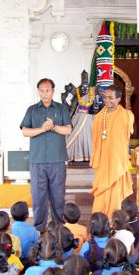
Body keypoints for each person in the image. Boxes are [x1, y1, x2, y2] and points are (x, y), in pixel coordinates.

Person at [20, 78, 72, 232]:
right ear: (38, 91)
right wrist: (43, 129)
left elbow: (68, 130)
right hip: (37, 160)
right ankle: (40, 227)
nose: (44, 93)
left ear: (53, 91)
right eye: (41, 90)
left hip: (57, 160)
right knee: (38, 196)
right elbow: (25, 131)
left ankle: (58, 227)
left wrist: (53, 126)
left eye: (47, 90)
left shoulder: (62, 109)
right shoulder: (32, 110)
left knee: (58, 196)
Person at [91, 85, 134, 217]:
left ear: (119, 99)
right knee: (102, 190)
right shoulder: (98, 117)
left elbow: (128, 134)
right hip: (103, 160)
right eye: (104, 97)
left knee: (115, 190)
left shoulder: (127, 115)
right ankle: (99, 218)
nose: (107, 100)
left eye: (111, 98)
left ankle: (114, 218)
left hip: (117, 161)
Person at [64, 70, 95, 162]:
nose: (85, 80)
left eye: (86, 78)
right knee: (76, 137)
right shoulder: (77, 91)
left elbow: (94, 109)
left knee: (88, 138)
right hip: (78, 118)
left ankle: (87, 156)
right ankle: (76, 156)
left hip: (89, 118)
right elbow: (73, 108)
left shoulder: (92, 91)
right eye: (83, 78)